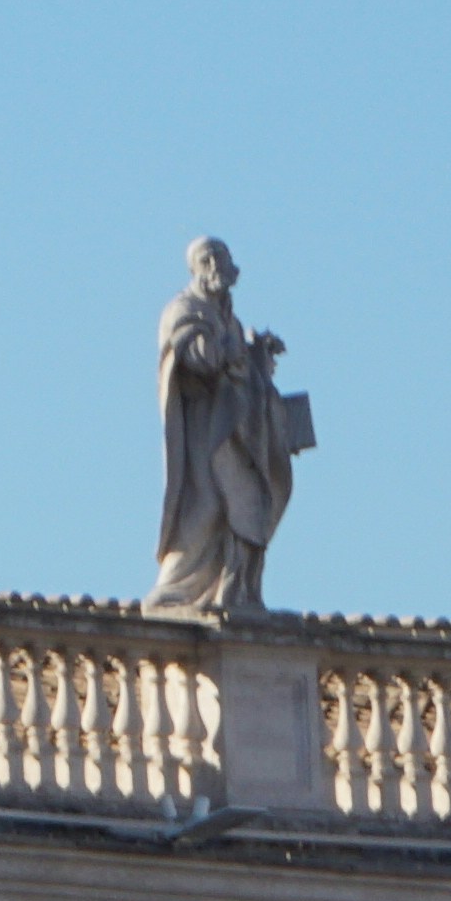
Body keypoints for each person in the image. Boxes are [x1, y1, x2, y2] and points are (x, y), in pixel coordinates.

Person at [149, 237, 309, 623]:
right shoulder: (184, 310)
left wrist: (257, 357)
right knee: (206, 510)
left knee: (247, 505)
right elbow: (201, 359)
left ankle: (238, 593)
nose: (218, 266)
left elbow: (233, 364)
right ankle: (178, 592)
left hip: (238, 435)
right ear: (197, 268)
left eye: (222, 258)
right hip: (207, 435)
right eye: (209, 260)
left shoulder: (229, 319)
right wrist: (236, 353)